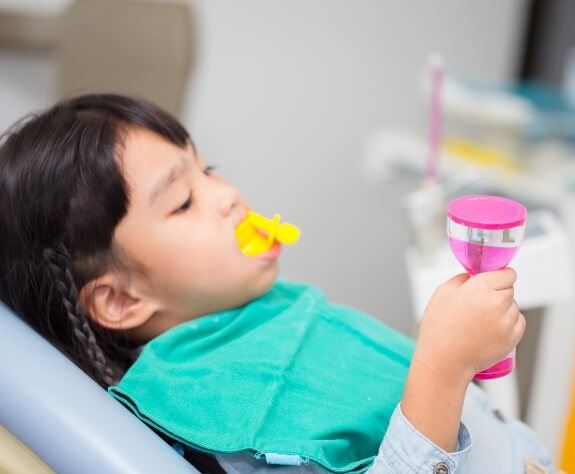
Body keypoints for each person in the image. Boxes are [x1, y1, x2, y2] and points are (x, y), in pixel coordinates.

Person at [0, 94, 555, 473]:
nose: (229, 195)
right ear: (120, 298)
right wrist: (444, 366)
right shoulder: (227, 414)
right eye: (184, 201)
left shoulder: (261, 316)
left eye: (207, 168)